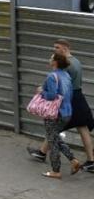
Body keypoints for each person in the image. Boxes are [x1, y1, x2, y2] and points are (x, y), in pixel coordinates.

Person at [28, 40, 94, 170]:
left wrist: (44, 90)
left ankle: (45, 154)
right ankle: (91, 161)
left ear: (65, 48)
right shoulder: (76, 61)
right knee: (81, 128)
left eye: (57, 47)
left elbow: (60, 85)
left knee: (56, 127)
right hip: (78, 97)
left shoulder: (67, 65)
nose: (55, 50)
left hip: (70, 99)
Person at [39, 51, 83, 179]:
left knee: (53, 141)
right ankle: (74, 161)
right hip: (66, 112)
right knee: (54, 138)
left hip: (54, 113)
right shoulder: (66, 75)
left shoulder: (52, 76)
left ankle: (56, 171)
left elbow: (52, 95)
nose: (49, 59)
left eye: (51, 57)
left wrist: (42, 92)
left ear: (55, 62)